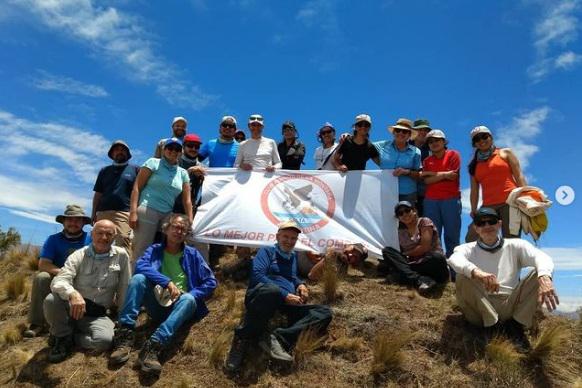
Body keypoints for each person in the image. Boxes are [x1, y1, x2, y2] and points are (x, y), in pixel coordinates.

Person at [110, 214, 217, 374]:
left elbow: (210, 282)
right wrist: (166, 282)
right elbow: (141, 266)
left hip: (181, 307)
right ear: (166, 229)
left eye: (183, 229)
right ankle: (125, 334)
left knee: (188, 298)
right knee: (138, 279)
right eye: (175, 227)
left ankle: (154, 346)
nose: (179, 231)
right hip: (158, 303)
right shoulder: (154, 250)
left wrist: (191, 293)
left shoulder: (193, 254)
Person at [224, 221, 332, 374]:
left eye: (293, 238)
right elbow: (257, 275)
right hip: (263, 296)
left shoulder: (292, 256)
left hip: (286, 303)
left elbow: (292, 276)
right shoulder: (267, 251)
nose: (289, 241)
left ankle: (279, 338)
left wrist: (301, 285)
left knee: (324, 312)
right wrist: (284, 294)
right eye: (285, 237)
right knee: (272, 291)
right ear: (277, 236)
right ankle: (242, 339)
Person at [448, 207, 559, 351]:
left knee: (540, 272)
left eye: (491, 221)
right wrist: (477, 272)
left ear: (499, 224)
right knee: (463, 276)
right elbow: (454, 259)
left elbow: (541, 257)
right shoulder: (466, 248)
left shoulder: (516, 245)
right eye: (481, 223)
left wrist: (544, 277)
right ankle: (490, 326)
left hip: (509, 305)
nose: (487, 226)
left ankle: (515, 326)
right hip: (479, 306)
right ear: (476, 228)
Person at [44, 220, 131, 362]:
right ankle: (61, 338)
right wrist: (73, 294)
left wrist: (123, 318)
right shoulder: (78, 255)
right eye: (99, 233)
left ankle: (70, 337)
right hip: (73, 309)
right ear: (92, 234)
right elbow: (58, 281)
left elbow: (124, 287)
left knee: (104, 342)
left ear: (114, 237)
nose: (104, 237)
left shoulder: (122, 256)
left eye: (109, 234)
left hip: (96, 315)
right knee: (51, 300)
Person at [23, 205, 92, 338]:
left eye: (78, 220)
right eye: (70, 220)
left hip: (85, 278)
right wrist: (65, 273)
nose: (73, 223)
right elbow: (43, 265)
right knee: (41, 277)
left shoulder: (91, 239)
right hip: (59, 277)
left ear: (83, 223)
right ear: (63, 222)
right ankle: (38, 323)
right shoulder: (53, 239)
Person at [130, 138, 192, 262]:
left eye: (177, 149)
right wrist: (133, 212)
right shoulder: (152, 162)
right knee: (141, 249)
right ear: (164, 150)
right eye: (170, 148)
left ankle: (157, 279)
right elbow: (137, 187)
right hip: (148, 209)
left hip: (168, 215)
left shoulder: (183, 173)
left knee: (167, 249)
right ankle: (135, 280)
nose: (173, 151)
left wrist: (190, 220)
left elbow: (187, 200)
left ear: (181, 152)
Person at [466, 126, 527, 242]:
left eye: (484, 137)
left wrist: (526, 196)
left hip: (510, 203)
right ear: (474, 144)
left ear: (491, 137)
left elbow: (519, 175)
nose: (481, 141)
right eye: (477, 139)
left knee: (511, 241)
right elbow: (474, 190)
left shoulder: (505, 153)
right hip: (488, 207)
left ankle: (512, 260)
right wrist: (473, 209)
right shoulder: (473, 164)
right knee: (472, 238)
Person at [379, 201, 449, 294]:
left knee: (436, 258)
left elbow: (424, 247)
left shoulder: (424, 222)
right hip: (414, 265)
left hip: (431, 264)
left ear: (414, 211)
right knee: (387, 251)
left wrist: (404, 256)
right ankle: (419, 280)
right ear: (398, 218)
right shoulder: (400, 232)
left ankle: (402, 275)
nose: (404, 214)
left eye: (407, 210)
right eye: (400, 213)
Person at [92, 140, 139, 252]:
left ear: (128, 154)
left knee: (123, 242)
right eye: (116, 150)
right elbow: (98, 193)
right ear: (112, 154)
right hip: (103, 212)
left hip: (124, 213)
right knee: (99, 242)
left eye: (123, 150)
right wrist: (93, 213)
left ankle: (123, 269)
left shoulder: (136, 170)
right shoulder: (104, 171)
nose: (120, 152)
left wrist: (134, 212)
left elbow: (138, 191)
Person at [421, 129, 461, 257]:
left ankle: (454, 272)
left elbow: (453, 176)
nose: (434, 143)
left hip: (451, 199)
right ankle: (438, 271)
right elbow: (426, 181)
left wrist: (432, 176)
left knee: (452, 236)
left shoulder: (453, 154)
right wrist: (444, 174)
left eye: (437, 140)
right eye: (431, 141)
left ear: (444, 141)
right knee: (433, 237)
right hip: (431, 201)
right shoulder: (427, 161)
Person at [374, 118, 422, 203]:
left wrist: (406, 172)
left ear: (409, 135)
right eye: (398, 130)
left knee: (407, 216)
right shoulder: (382, 146)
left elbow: (418, 175)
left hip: (408, 193)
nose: (400, 133)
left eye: (404, 131)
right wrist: (348, 136)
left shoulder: (416, 152)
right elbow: (362, 144)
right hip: (386, 191)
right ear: (393, 132)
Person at [297, 244, 368, 281]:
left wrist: (330, 256)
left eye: (355, 257)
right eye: (352, 250)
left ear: (356, 262)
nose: (350, 254)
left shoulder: (340, 270)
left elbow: (312, 276)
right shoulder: (334, 245)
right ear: (348, 245)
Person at [173, 133, 205, 218]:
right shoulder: (175, 161)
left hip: (188, 209)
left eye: (197, 147)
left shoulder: (201, 167)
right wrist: (188, 172)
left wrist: (203, 179)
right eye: (190, 146)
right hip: (170, 206)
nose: (193, 149)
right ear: (183, 146)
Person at [411, 119, 433, 216]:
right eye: (420, 129)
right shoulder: (405, 146)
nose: (423, 132)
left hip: (427, 193)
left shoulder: (433, 148)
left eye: (426, 130)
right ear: (413, 131)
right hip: (408, 192)